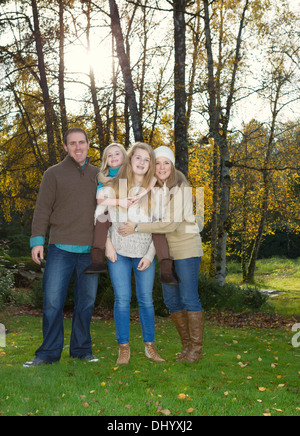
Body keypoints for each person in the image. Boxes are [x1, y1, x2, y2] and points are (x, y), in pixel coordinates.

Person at [119, 146, 204, 363]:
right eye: (158, 163)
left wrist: (137, 227)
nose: (162, 167)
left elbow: (170, 224)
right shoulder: (155, 188)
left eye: (167, 163)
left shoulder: (181, 187)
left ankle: (196, 350)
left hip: (186, 249)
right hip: (167, 253)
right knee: (172, 300)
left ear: (173, 165)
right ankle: (186, 347)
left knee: (188, 298)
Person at [23, 128, 100, 367]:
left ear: (88, 145)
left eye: (82, 142)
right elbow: (42, 209)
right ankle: (47, 353)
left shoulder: (100, 175)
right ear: (65, 147)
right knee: (53, 302)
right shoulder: (53, 174)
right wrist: (37, 240)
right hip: (60, 249)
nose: (78, 147)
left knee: (86, 303)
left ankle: (81, 350)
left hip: (90, 251)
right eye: (72, 143)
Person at [105, 142, 166, 366]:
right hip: (118, 251)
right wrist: (107, 244)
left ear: (151, 164)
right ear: (130, 160)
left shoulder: (157, 193)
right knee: (122, 300)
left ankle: (150, 347)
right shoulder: (117, 186)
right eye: (137, 158)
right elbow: (102, 220)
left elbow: (159, 227)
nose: (141, 162)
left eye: (146, 159)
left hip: (144, 253)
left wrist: (150, 255)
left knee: (146, 301)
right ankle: (123, 348)